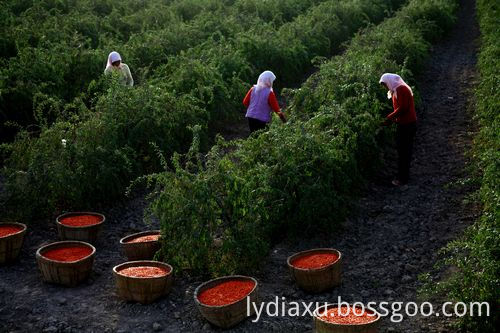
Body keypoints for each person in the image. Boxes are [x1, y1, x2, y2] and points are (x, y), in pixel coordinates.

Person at [379, 73, 417, 186]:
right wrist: (393, 120)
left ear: (389, 81)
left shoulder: (401, 89)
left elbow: (403, 108)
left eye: (385, 85)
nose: (385, 88)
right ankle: (403, 176)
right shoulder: (396, 90)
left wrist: (389, 118)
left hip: (407, 125)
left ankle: (403, 179)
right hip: (405, 124)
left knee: (404, 151)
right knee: (404, 151)